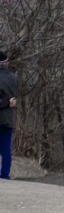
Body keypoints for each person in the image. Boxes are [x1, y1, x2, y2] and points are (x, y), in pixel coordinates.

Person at [0, 50, 17, 179]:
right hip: (9, 118)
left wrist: (5, 102)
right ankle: (5, 174)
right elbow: (14, 99)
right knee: (6, 148)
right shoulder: (14, 77)